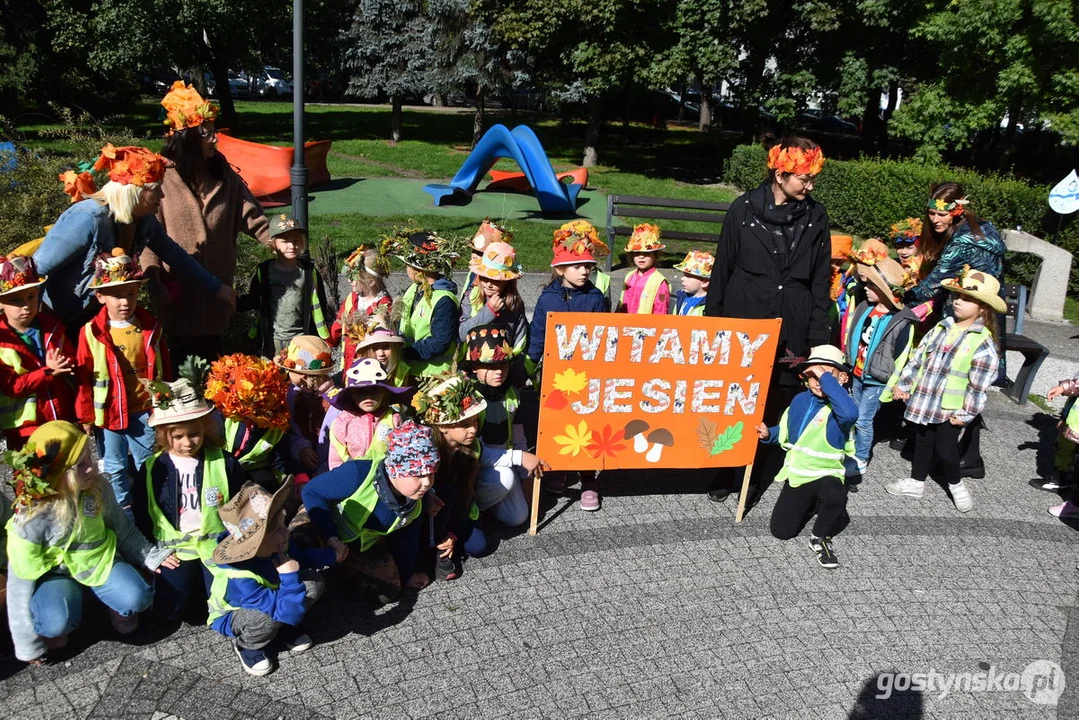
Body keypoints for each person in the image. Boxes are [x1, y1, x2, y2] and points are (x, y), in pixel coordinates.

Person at [704, 136, 832, 503]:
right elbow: (722, 271)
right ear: (780, 174)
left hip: (792, 325)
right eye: (804, 179)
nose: (810, 186)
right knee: (735, 397)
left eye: (812, 179)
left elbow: (821, 280)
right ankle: (724, 467)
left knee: (777, 398)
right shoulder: (743, 210)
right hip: (744, 322)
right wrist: (714, 326)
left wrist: (819, 338)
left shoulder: (815, 217)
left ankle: (754, 472)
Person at [5, 421, 179, 664]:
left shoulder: (97, 487)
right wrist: (27, 644)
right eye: (79, 465)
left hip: (100, 562)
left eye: (89, 457)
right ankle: (64, 605)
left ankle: (111, 602)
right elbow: (19, 584)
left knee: (135, 602)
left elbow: (123, 530)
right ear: (57, 474)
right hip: (56, 575)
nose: (92, 468)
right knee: (54, 631)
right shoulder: (31, 517)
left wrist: (151, 555)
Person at [36, 143, 234, 336]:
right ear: (134, 193)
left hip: (96, 317)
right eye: (155, 190)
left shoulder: (143, 221)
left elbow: (175, 255)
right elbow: (38, 269)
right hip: (59, 318)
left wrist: (216, 288)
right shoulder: (88, 217)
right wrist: (35, 327)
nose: (162, 195)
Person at [142, 81, 273, 366]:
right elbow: (147, 237)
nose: (215, 140)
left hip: (217, 294)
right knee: (180, 368)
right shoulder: (161, 176)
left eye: (214, 133)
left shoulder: (224, 174)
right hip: (177, 297)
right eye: (207, 135)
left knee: (215, 365)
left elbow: (249, 213)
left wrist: (277, 240)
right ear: (187, 139)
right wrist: (153, 282)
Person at [134, 378, 251, 622]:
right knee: (169, 612)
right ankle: (191, 585)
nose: (187, 443)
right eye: (178, 436)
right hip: (175, 551)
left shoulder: (224, 461)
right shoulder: (153, 468)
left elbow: (243, 502)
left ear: (206, 429)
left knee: (228, 603)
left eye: (194, 434)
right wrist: (152, 552)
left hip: (217, 546)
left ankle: (204, 585)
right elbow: (143, 512)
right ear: (164, 434)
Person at [886, 267, 1003, 512]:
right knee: (922, 440)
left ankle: (956, 484)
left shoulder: (981, 342)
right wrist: (904, 383)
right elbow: (918, 358)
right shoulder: (942, 327)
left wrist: (965, 413)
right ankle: (916, 482)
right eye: (957, 296)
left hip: (950, 407)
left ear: (982, 307)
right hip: (925, 399)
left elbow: (978, 385)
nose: (958, 301)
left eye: (968, 299)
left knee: (946, 449)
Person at [413, 372, 549, 577]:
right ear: (442, 426)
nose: (473, 430)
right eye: (465, 424)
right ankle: (435, 552)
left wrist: (521, 457)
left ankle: (450, 540)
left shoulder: (472, 446)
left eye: (475, 422)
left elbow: (466, 495)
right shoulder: (425, 448)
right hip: (426, 508)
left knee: (479, 547)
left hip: (457, 505)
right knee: (441, 498)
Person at [75, 251, 171, 514]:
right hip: (109, 415)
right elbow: (84, 378)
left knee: (148, 462)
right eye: (117, 295)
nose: (125, 302)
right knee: (114, 466)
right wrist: (85, 416)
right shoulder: (91, 332)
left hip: (144, 410)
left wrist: (168, 400)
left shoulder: (151, 327)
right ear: (101, 297)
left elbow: (164, 366)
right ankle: (122, 514)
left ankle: (152, 508)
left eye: (130, 293)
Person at [299, 421, 440, 601]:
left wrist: (406, 575)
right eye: (418, 474)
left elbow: (407, 541)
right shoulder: (358, 473)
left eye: (431, 473)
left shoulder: (413, 504)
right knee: (298, 540)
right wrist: (330, 537)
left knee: (388, 592)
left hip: (358, 543)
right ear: (395, 470)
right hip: (321, 520)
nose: (427, 483)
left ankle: (342, 566)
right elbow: (311, 492)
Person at [205, 477, 332, 676]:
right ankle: (248, 646)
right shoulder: (240, 578)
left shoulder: (275, 545)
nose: (286, 534)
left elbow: (300, 558)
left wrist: (331, 556)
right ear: (253, 545)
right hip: (234, 615)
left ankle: (284, 629)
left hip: (273, 599)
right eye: (277, 530)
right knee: (266, 616)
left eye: (284, 525)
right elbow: (280, 608)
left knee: (313, 582)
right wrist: (290, 579)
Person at [528, 226, 610, 511]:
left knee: (588, 428)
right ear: (561, 269)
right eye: (576, 265)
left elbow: (605, 338)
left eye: (587, 265)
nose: (584, 270)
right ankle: (558, 469)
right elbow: (537, 335)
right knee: (557, 426)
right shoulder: (547, 299)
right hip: (555, 378)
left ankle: (588, 479)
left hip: (588, 377)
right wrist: (528, 368)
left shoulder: (596, 298)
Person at [759, 345, 857, 569]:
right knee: (781, 531)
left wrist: (824, 376)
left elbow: (850, 414)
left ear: (841, 378)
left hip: (827, 473)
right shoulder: (800, 400)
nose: (818, 381)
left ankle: (820, 536)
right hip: (799, 474)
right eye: (813, 375)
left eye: (825, 374)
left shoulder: (841, 407)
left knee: (835, 495)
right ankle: (812, 503)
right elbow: (786, 433)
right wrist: (769, 434)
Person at [842, 240, 916, 477]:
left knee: (864, 420)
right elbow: (852, 336)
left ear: (885, 291)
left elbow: (902, 356)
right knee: (851, 414)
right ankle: (848, 449)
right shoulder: (864, 306)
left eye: (872, 285)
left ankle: (862, 457)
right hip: (857, 372)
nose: (866, 288)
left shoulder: (901, 321)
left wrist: (892, 385)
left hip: (877, 379)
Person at [0, 255, 77, 450]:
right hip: (25, 429)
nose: (26, 305)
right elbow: (13, 387)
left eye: (31, 296)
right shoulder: (2, 342)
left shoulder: (53, 328)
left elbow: (71, 361)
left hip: (62, 416)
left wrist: (68, 365)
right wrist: (49, 372)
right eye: (16, 300)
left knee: (66, 475)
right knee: (32, 477)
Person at [239, 214, 331, 359]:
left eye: (296, 240)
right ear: (273, 244)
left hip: (301, 337)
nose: (291, 245)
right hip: (272, 339)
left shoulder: (308, 272)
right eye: (285, 241)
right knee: (273, 377)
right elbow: (255, 299)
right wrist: (235, 302)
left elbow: (320, 302)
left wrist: (323, 333)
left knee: (300, 374)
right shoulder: (264, 271)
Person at [204, 353, 291, 488]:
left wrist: (295, 480)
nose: (258, 407)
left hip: (255, 472)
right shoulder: (222, 418)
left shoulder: (274, 425)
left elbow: (279, 458)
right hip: (221, 469)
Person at [396, 229, 461, 378]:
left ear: (418, 269)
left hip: (433, 376)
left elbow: (440, 342)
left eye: (407, 264)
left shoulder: (443, 300)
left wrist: (406, 353)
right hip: (410, 369)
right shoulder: (414, 288)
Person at [327, 358, 410, 469]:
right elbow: (336, 461)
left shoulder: (395, 419)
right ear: (351, 394)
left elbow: (405, 455)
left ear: (384, 392)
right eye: (361, 390)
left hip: (388, 480)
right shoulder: (342, 423)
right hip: (354, 480)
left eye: (374, 389)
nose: (368, 396)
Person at [275, 336, 337, 479]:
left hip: (327, 461)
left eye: (314, 376)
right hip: (296, 460)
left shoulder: (333, 399)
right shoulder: (287, 395)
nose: (308, 381)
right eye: (304, 375)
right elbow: (286, 429)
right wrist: (300, 446)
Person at [458, 239, 528, 362]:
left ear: (507, 282)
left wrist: (516, 365)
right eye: (485, 278)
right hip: (472, 365)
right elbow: (462, 333)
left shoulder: (515, 304)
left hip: (503, 366)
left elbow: (520, 339)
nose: (489, 284)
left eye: (496, 280)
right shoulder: (471, 296)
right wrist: (489, 311)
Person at [330, 244, 393, 373]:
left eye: (353, 277)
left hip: (371, 371)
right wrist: (326, 345)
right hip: (349, 366)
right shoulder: (351, 300)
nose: (348, 280)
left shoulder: (384, 307)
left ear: (370, 282)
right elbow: (337, 327)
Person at [618, 223, 670, 315]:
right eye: (637, 253)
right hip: (626, 324)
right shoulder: (629, 276)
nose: (641, 257)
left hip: (646, 327)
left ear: (655, 255)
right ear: (632, 256)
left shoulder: (659, 282)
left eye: (646, 253)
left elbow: (661, 310)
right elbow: (622, 302)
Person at [671, 251, 713, 316]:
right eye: (684, 275)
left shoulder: (710, 306)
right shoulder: (681, 296)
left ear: (705, 282)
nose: (682, 278)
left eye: (688, 276)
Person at [890, 217, 924, 282]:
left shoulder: (925, 268)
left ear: (918, 248)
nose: (904, 252)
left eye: (909, 248)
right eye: (900, 247)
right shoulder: (892, 266)